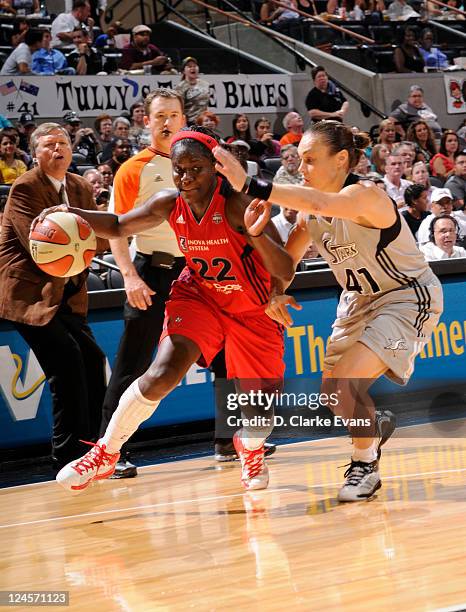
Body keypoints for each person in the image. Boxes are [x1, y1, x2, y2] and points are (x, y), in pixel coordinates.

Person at [213, 120, 443, 502]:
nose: (301, 169)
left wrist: (250, 183)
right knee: (334, 394)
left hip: (405, 295)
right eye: (299, 161)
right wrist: (275, 289)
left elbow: (321, 202)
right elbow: (288, 262)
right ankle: (372, 426)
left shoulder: (365, 195)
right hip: (357, 302)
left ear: (340, 160)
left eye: (309, 160)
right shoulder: (309, 216)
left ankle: (365, 465)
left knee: (344, 385)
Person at [54, 126, 294, 492]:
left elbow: (286, 269)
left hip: (252, 308)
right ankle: (106, 452)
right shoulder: (170, 203)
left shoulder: (239, 206)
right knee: (163, 371)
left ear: (216, 167)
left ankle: (249, 445)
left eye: (195, 168)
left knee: (258, 414)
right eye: (179, 169)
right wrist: (72, 214)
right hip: (200, 295)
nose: (185, 177)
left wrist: (258, 235)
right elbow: (119, 224)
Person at [0, 122, 106, 469]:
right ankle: (69, 454)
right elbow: (41, 249)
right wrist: (81, 238)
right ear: (35, 154)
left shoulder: (78, 185)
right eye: (48, 145)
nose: (57, 149)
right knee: (67, 364)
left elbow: (100, 239)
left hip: (68, 294)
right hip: (29, 294)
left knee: (92, 361)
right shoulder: (25, 187)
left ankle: (99, 449)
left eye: (63, 143)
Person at [175, 57, 210, 125]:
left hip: (204, 122)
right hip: (190, 123)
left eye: (195, 66)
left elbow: (206, 103)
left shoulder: (205, 84)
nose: (193, 68)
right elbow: (179, 108)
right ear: (183, 71)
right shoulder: (180, 87)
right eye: (189, 66)